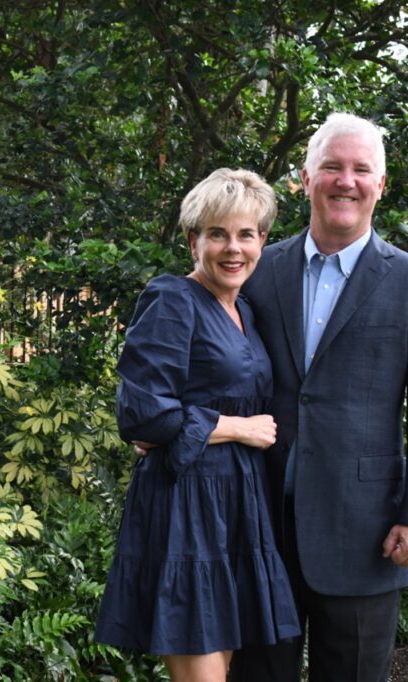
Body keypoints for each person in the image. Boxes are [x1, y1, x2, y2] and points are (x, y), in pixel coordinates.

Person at [227, 113, 408, 681]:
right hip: (260, 529)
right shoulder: (257, 273)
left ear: (380, 186)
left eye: (362, 169)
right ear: (305, 180)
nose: (346, 180)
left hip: (365, 535)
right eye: (331, 167)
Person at [95, 168, 301, 681]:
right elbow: (140, 412)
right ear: (194, 241)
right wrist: (236, 427)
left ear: (262, 241)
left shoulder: (245, 312)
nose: (233, 248)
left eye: (245, 234)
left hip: (238, 504)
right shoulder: (172, 300)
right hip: (186, 505)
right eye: (217, 234)